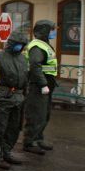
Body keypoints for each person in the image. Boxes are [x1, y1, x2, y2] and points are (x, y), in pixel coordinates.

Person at [0, 31, 30, 170]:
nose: (19, 46)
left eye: (22, 44)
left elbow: (25, 78)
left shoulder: (23, 58)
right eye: (17, 44)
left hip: (18, 98)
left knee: (14, 128)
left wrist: (24, 95)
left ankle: (7, 152)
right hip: (3, 97)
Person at [23, 20, 58, 154]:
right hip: (38, 85)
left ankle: (38, 138)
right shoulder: (37, 46)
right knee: (36, 114)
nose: (54, 32)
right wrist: (43, 83)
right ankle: (29, 142)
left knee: (44, 114)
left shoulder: (45, 45)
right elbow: (35, 65)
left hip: (47, 84)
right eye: (52, 29)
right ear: (45, 30)